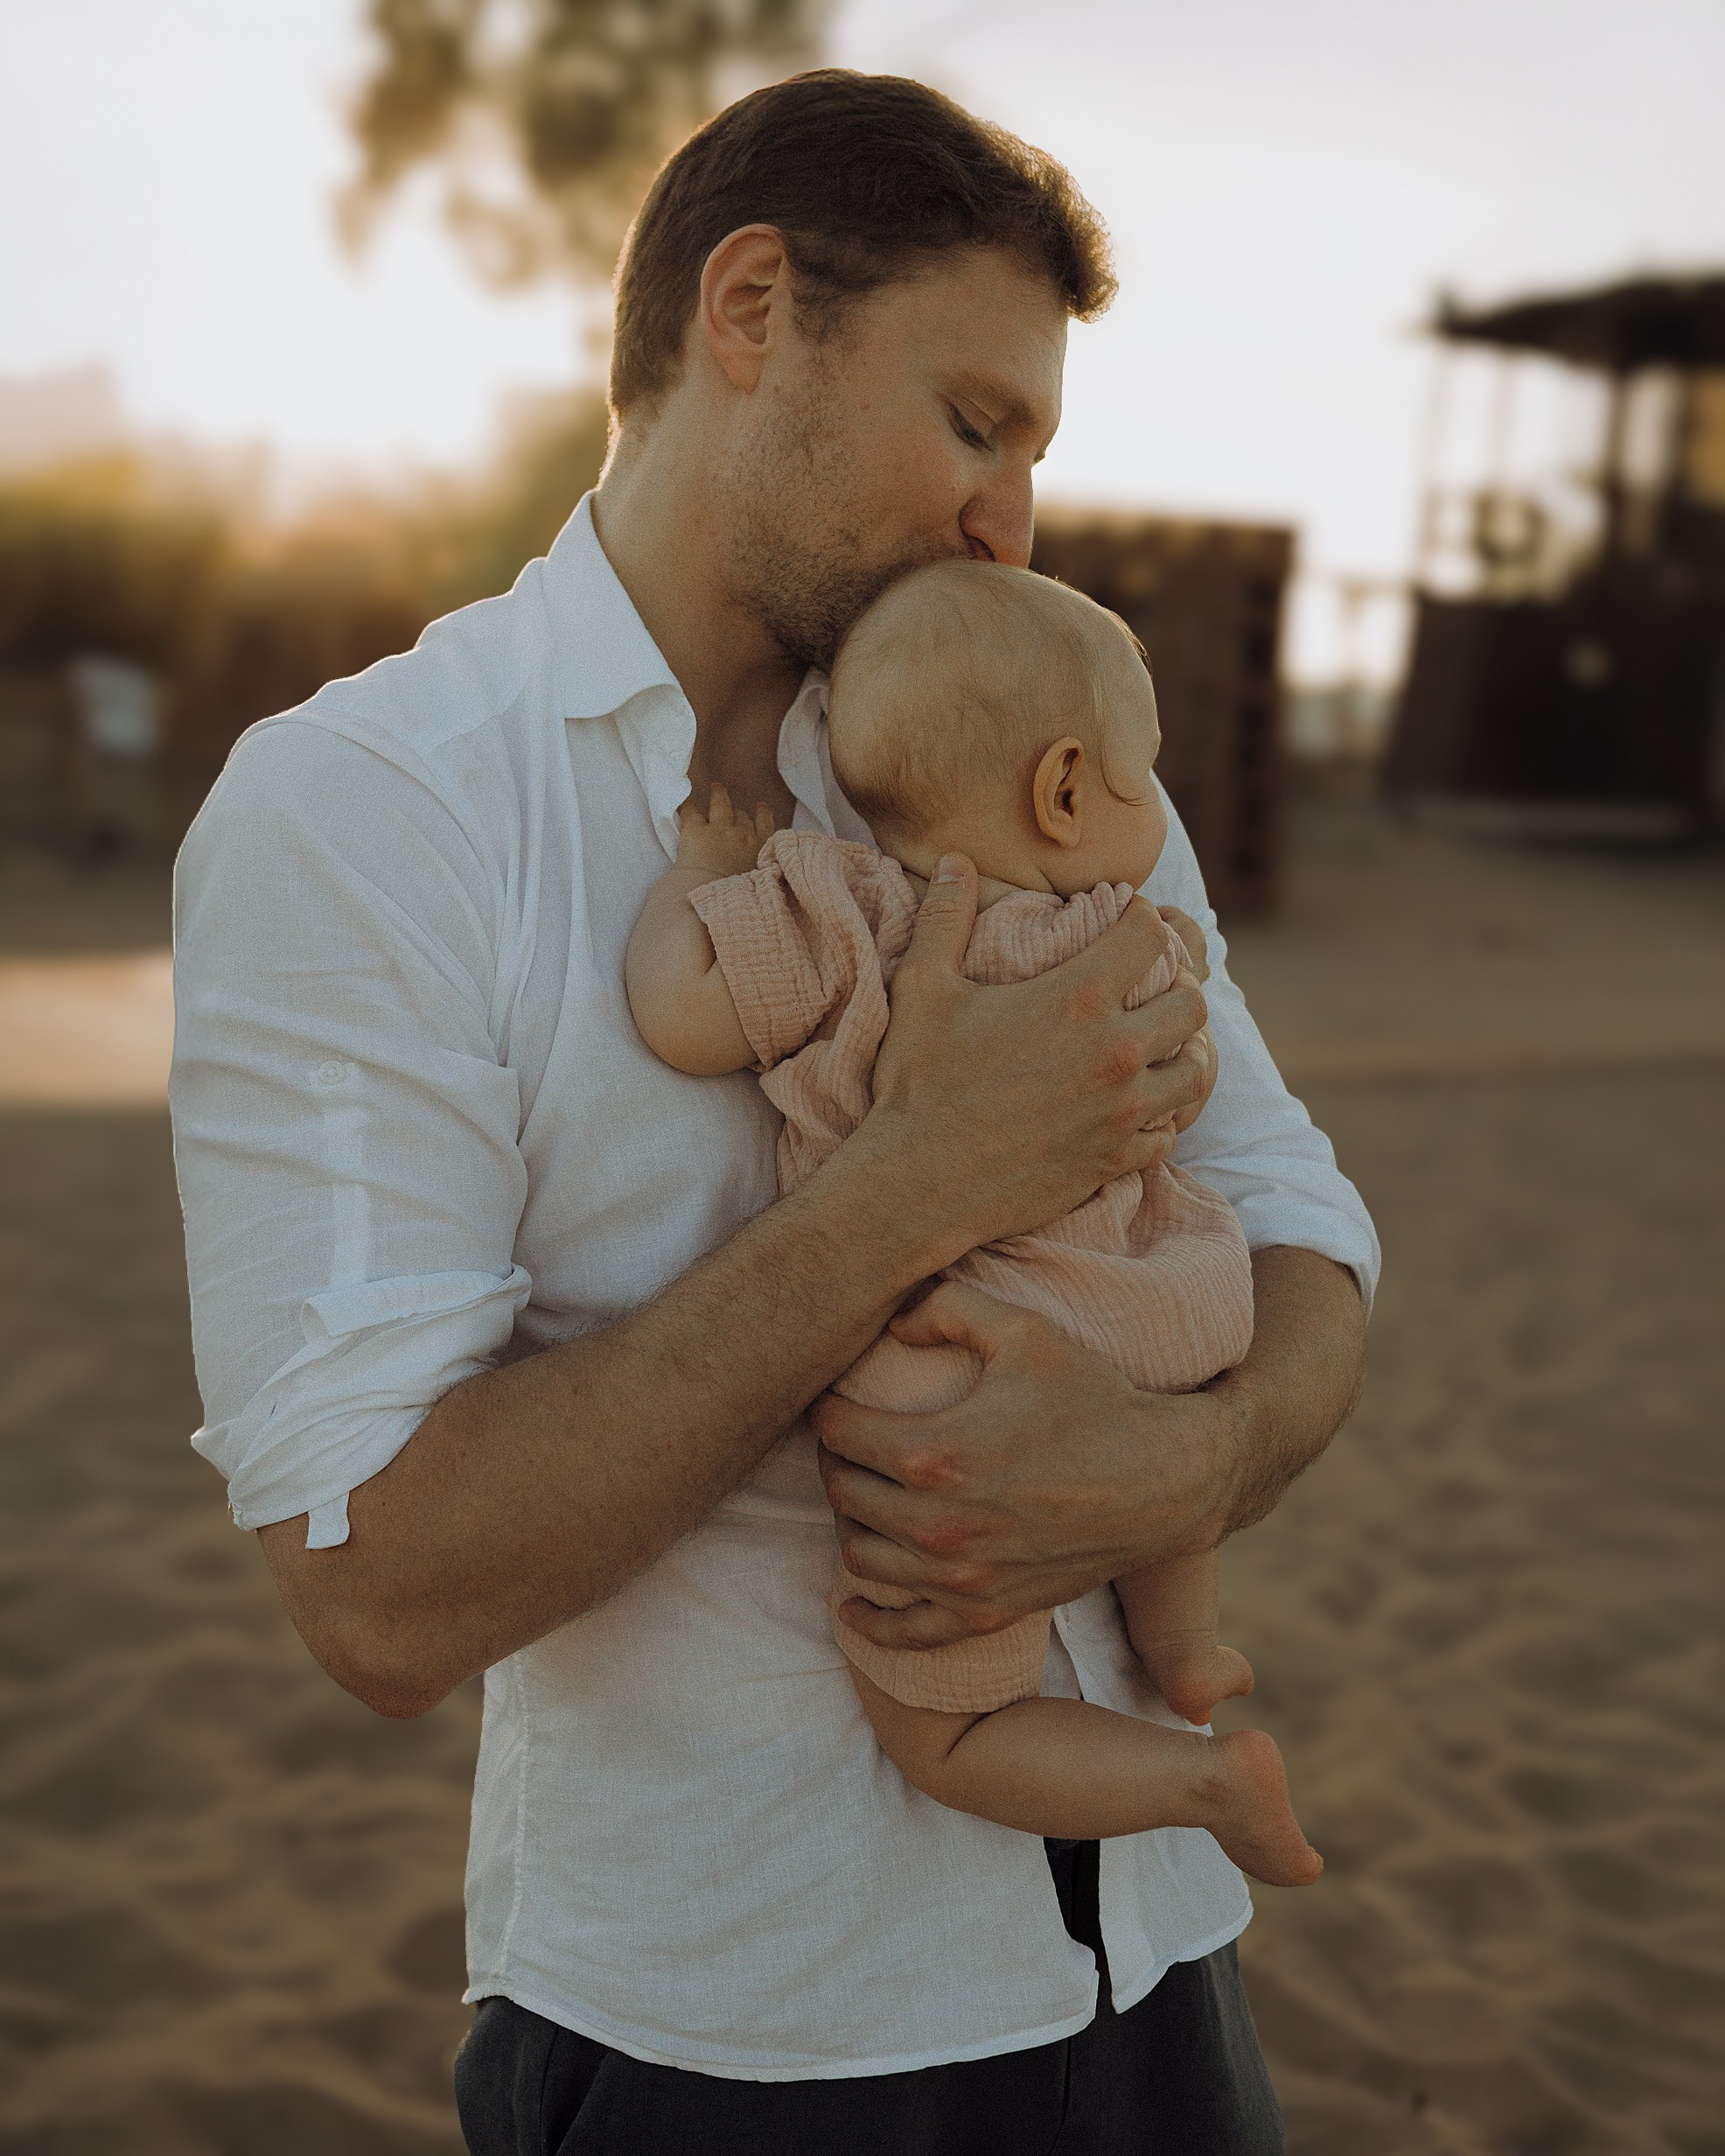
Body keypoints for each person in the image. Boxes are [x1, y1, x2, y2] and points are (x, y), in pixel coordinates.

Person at [171, 68, 1377, 2156]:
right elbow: (378, 1588)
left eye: (1032, 450)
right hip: (728, 2034)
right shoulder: (368, 809)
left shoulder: (1050, 751)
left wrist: (1181, 1453)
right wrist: (906, 1195)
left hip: (1162, 1971)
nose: (1011, 516)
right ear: (751, 312)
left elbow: (1306, 1230)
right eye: (975, 421)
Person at [625, 559, 1323, 1889]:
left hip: (968, 1357)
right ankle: (1182, 1644)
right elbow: (1193, 1084)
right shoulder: (1133, 933)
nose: (1154, 804)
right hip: (1171, 1299)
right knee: (1168, 1447)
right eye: (1145, 772)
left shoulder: (844, 913)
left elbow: (680, 1010)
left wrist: (701, 876)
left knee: (945, 1727)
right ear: (1064, 790)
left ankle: (1201, 1777)